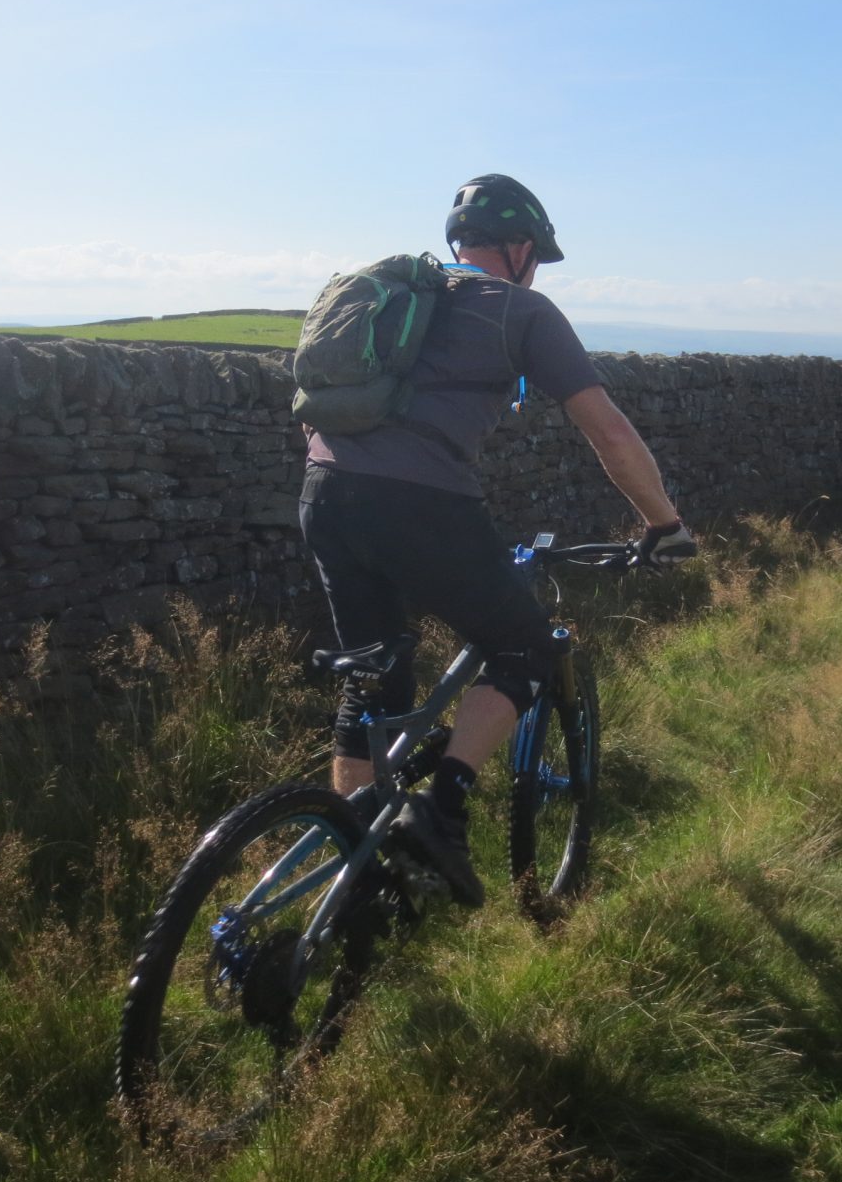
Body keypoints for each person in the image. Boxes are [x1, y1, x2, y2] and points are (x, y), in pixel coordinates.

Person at [298, 174, 696, 907]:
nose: (535, 266)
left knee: (375, 677)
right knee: (526, 649)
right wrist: (663, 524)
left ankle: (356, 867)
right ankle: (441, 813)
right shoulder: (522, 311)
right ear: (518, 248)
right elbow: (606, 429)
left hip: (322, 493)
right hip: (422, 505)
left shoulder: (386, 300)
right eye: (536, 253)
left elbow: (322, 402)